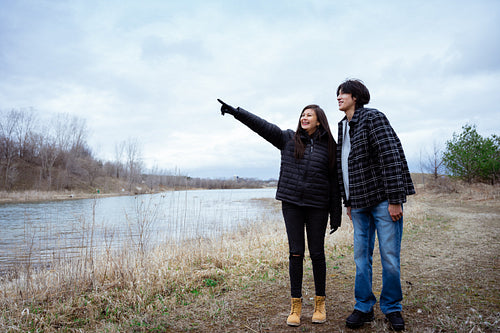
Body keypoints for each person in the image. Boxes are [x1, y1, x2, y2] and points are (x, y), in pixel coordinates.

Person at [218, 98, 342, 326]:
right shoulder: (287, 139)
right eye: (302, 115)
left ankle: (319, 304)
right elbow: (263, 126)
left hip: (318, 206)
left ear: (319, 121)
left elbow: (334, 182)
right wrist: (238, 113)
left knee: (317, 254)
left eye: (309, 115)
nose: (304, 118)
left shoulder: (330, 146)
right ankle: (295, 307)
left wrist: (336, 213)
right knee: (296, 253)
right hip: (292, 204)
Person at [335, 79, 415, 331]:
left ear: (356, 96)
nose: (338, 97)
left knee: (389, 257)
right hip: (357, 203)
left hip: (382, 200)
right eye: (337, 94)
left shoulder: (373, 118)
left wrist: (395, 199)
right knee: (361, 258)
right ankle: (364, 307)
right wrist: (347, 200)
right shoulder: (342, 127)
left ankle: (392, 308)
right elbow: (344, 167)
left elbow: (390, 155)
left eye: (343, 93)